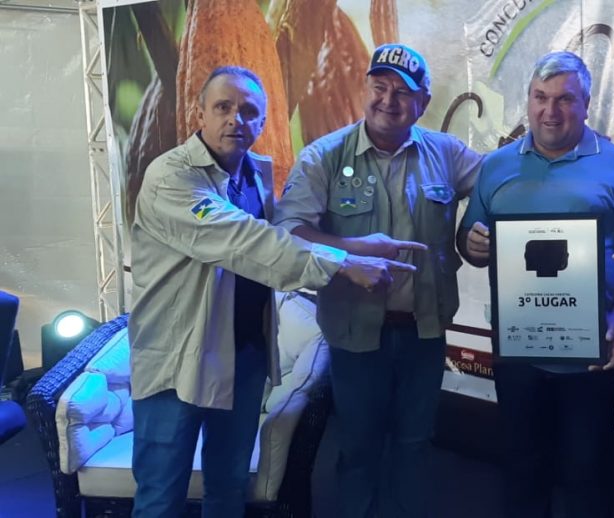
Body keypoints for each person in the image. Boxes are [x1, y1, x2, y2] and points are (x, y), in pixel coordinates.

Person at [129, 66, 412, 518]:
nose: (235, 119)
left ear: (263, 122)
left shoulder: (257, 173)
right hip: (176, 359)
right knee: (160, 496)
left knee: (229, 488)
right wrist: (343, 265)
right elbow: (244, 241)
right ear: (199, 113)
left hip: (244, 355)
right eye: (223, 107)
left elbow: (283, 239)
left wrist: (357, 246)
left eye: (249, 111)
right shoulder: (171, 177)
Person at [273, 44, 482, 518]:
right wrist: (351, 251)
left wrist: (476, 229)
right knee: (359, 449)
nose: (389, 100)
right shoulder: (324, 157)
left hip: (424, 333)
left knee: (415, 445)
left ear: (423, 102)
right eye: (380, 87)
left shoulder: (447, 154)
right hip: (355, 337)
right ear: (364, 89)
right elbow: (289, 232)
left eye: (403, 92)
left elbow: (499, 184)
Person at [457, 50, 614, 518]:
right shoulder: (496, 166)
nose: (550, 110)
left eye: (565, 99)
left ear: (586, 103)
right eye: (540, 97)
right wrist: (472, 245)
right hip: (517, 352)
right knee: (521, 474)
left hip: (590, 354)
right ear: (528, 100)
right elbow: (469, 244)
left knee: (588, 478)